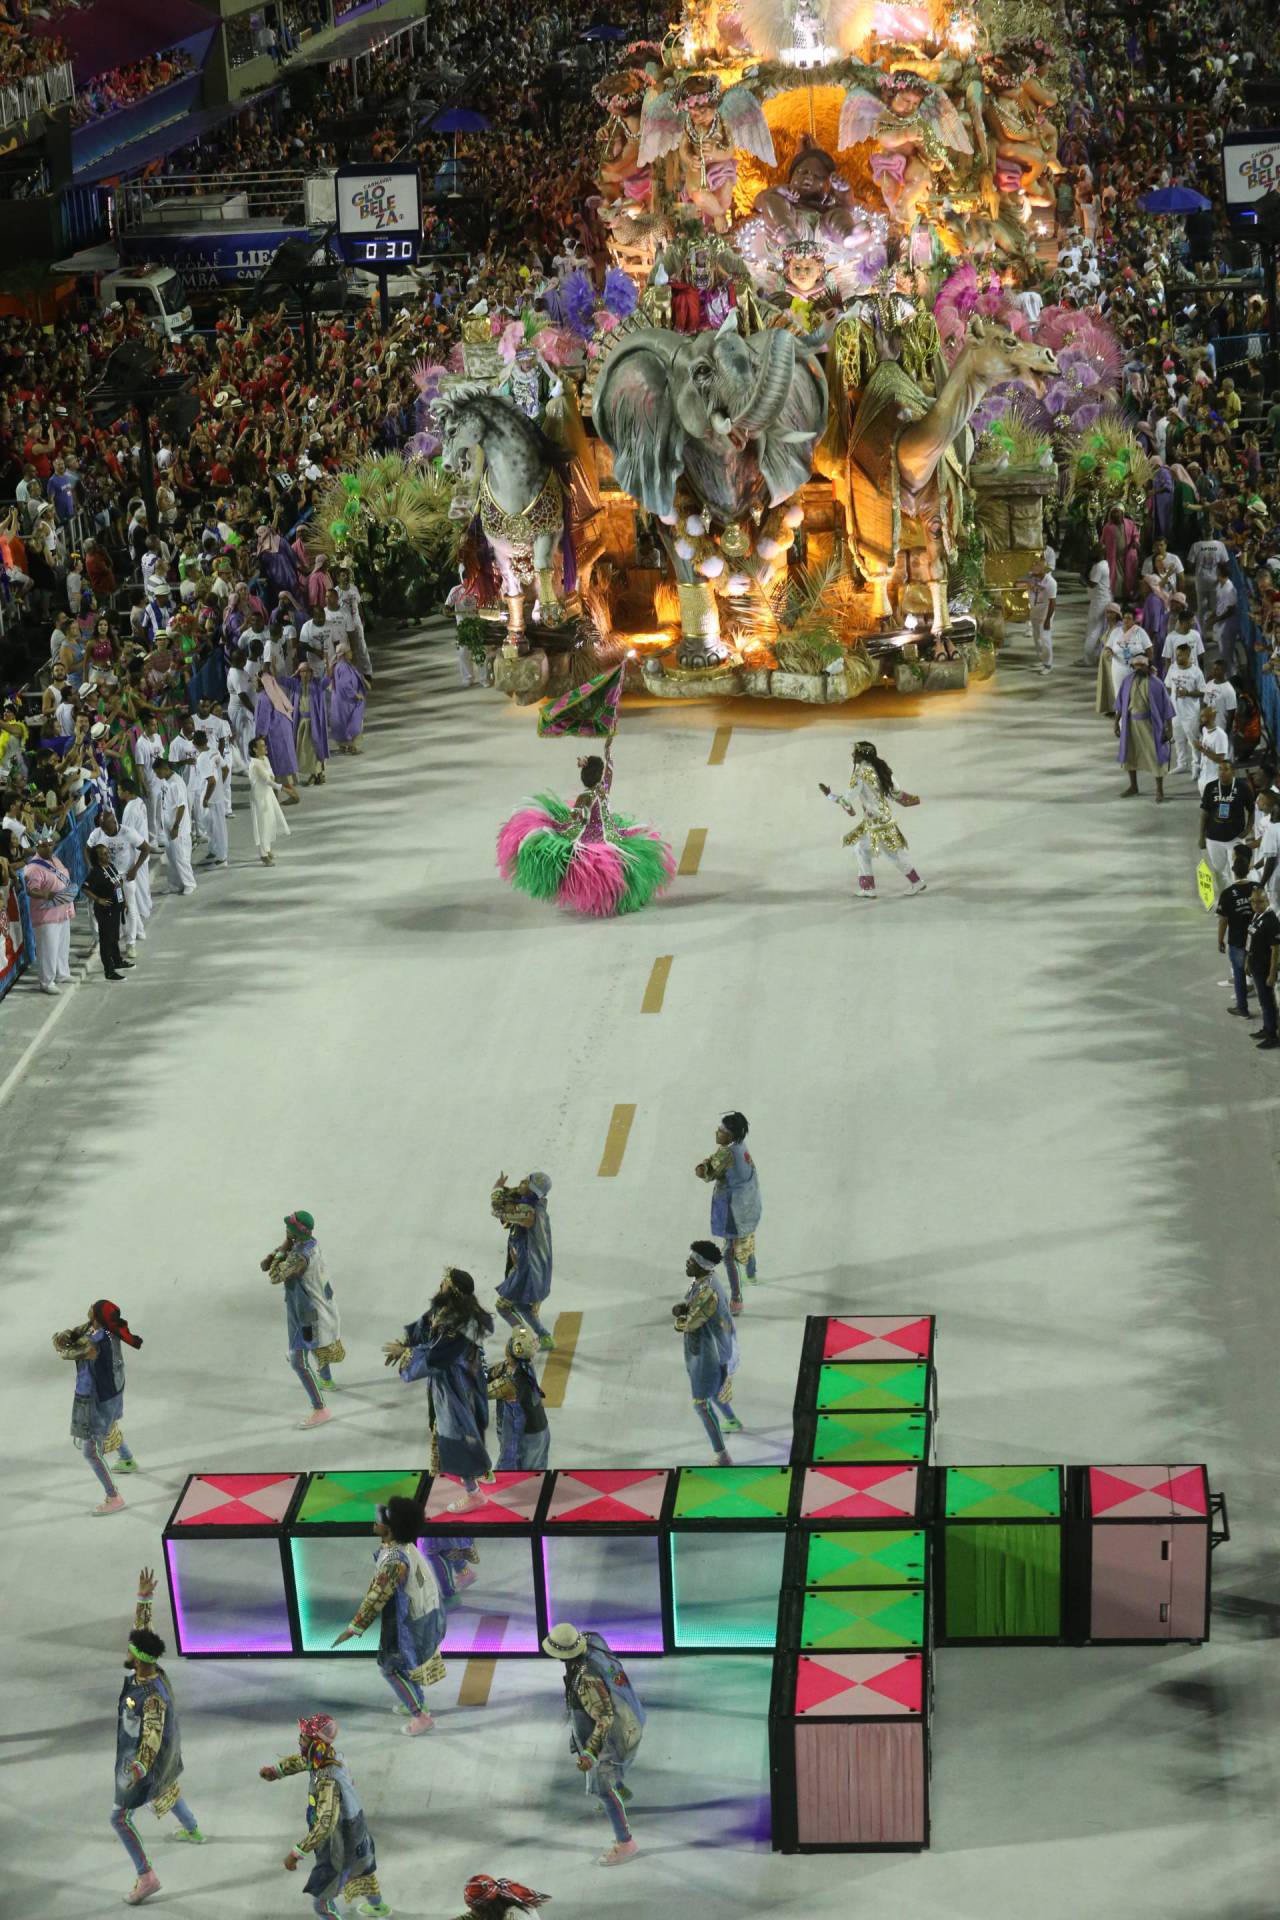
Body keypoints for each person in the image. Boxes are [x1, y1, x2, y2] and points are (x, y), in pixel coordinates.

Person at [109, 1565, 204, 1907]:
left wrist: (137, 1768)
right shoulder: (153, 1669)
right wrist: (144, 1598)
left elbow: (150, 1735)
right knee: (165, 1786)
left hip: (143, 1759)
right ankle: (192, 1828)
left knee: (119, 1818)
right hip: (164, 1755)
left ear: (138, 1659)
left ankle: (146, 1876)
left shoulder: (151, 1697)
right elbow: (143, 1632)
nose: (128, 1648)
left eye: (131, 1649)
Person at [497, 744, 674, 918]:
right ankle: (615, 897)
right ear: (598, 776)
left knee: (582, 862)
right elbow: (609, 772)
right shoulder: (603, 789)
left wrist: (576, 817)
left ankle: (603, 898)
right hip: (609, 832)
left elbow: (577, 816)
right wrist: (608, 751)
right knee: (619, 866)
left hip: (591, 836)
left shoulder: (586, 796)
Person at [330, 1498, 447, 1737]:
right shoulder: (404, 1549)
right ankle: (416, 1702)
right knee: (402, 1665)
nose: (375, 1521)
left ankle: (420, 1716)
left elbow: (376, 1597)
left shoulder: (394, 1561)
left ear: (391, 1528)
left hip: (405, 1623)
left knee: (389, 1668)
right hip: (420, 1616)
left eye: (380, 1519)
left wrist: (353, 1628)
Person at [258, 1716, 392, 1920]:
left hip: (341, 1836)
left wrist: (297, 1852)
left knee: (322, 1902)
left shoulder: (326, 1779)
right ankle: (378, 1907)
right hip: (356, 1827)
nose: (300, 1741)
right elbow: (303, 1761)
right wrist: (276, 1771)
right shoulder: (330, 1756)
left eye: (304, 1738)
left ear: (316, 1745)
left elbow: (325, 1824)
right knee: (362, 1868)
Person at [386, 1269, 494, 1512]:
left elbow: (437, 1356)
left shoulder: (460, 1326)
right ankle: (480, 1472)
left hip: (459, 1386)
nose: (440, 1283)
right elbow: (422, 1328)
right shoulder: (444, 1310)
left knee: (457, 1434)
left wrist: (405, 1355)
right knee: (455, 1431)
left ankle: (474, 1492)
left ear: (453, 1291)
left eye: (445, 1282)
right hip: (448, 1384)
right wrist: (405, 1344)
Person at [542, 1622, 644, 1867]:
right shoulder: (594, 1641)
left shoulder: (585, 1679)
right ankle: (618, 1785)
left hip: (612, 1738)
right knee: (611, 1779)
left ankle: (625, 1843)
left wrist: (590, 1751)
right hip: (632, 1719)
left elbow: (604, 1717)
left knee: (602, 1789)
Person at [52, 1298, 141, 1512]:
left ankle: (114, 1498)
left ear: (97, 1317)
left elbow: (67, 1352)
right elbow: (77, 1334)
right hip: (112, 1392)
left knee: (90, 1451)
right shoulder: (109, 1331)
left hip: (96, 1397)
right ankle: (127, 1459)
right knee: (109, 1423)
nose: (89, 1307)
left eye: (93, 1307)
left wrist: (61, 1342)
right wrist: (67, 1336)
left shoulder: (96, 1341)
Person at [261, 1210, 345, 1429]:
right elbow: (267, 1265)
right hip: (315, 1307)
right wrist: (282, 1249)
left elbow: (274, 1276)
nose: (286, 1229)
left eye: (289, 1227)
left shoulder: (298, 1256)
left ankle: (320, 1409)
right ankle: (326, 1379)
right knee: (318, 1345)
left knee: (298, 1361)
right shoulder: (310, 1244)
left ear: (296, 1232)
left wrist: (280, 1251)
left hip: (307, 1313)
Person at [818, 741, 925, 900]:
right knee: (860, 848)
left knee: (894, 855)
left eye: (855, 752)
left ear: (862, 755)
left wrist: (829, 795)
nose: (852, 755)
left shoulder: (860, 773)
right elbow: (897, 794)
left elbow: (847, 801)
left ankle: (916, 882)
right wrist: (913, 799)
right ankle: (868, 888)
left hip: (877, 824)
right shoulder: (881, 769)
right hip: (883, 819)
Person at [674, 1241, 742, 1465]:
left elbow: (691, 1323)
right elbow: (693, 1306)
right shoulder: (705, 1281)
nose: (688, 1262)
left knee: (700, 1403)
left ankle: (722, 1455)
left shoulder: (708, 1291)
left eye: (692, 1261)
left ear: (702, 1265)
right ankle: (731, 1420)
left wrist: (681, 1316)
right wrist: (684, 1307)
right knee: (715, 1391)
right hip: (712, 1348)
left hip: (709, 1353)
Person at [694, 1111, 761, 1313]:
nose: (717, 1133)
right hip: (749, 1203)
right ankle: (751, 1273)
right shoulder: (741, 1147)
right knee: (747, 1239)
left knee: (728, 1254)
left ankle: (736, 1298)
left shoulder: (726, 1153)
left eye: (722, 1131)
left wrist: (701, 1167)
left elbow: (707, 1173)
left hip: (734, 1210)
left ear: (731, 1135)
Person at [491, 1170, 555, 1348]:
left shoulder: (528, 1211)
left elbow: (499, 1212)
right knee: (520, 1306)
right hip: (524, 1266)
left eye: (527, 1182)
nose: (522, 1181)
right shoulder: (534, 1204)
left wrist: (496, 1191)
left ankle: (524, 1337)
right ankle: (544, 1337)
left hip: (526, 1269)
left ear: (533, 1190)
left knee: (503, 1307)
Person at [21, 825, 76, 992]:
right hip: (46, 914)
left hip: (63, 911)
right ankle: (46, 981)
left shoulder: (55, 859)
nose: (48, 847)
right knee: (48, 949)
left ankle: (62, 973)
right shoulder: (34, 867)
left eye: (50, 844)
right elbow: (32, 890)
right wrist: (46, 894)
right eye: (44, 845)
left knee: (61, 946)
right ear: (37, 846)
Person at [489, 1326, 551, 1469]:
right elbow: (491, 1373)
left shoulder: (512, 1382)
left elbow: (482, 1391)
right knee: (535, 1470)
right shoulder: (522, 1364)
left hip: (525, 1434)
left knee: (514, 1471)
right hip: (538, 1427)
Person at [1116, 655, 1173, 801]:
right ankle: (1133, 786)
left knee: (1155, 756)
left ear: (1148, 666)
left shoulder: (1157, 684)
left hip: (1150, 724)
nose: (1139, 668)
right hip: (1131, 724)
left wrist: (1169, 729)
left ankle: (1159, 790)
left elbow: (1167, 707)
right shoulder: (1127, 681)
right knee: (1130, 754)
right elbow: (1120, 704)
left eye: (1142, 665)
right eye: (1136, 665)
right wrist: (1116, 723)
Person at [1199, 762, 1252, 895]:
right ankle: (1226, 897)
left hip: (1235, 837)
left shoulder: (1242, 787)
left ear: (1233, 771)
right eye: (1220, 769)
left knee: (1238, 870)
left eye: (1226, 769)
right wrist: (1201, 836)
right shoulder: (1211, 787)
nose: (1222, 772)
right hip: (1214, 837)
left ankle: (1240, 898)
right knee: (1218, 870)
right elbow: (1205, 813)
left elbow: (1252, 810)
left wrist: (1248, 829)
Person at [1216, 844, 1255, 1020]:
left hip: (1237, 940)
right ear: (1248, 869)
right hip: (1256, 938)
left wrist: (1220, 940)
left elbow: (1223, 920)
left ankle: (1242, 1008)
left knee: (1239, 973)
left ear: (1233, 870)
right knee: (1260, 973)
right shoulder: (1257, 887)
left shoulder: (1227, 894)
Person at [83, 842, 132, 981]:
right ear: (97, 857)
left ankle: (117, 961)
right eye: (104, 854)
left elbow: (118, 885)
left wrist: (124, 902)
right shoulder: (95, 872)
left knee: (115, 936)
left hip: (116, 907)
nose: (107, 855)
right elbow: (85, 888)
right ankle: (109, 971)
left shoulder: (111, 866)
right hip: (105, 910)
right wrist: (98, 900)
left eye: (107, 852)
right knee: (106, 940)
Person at [1165, 640, 1207, 777]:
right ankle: (1182, 763)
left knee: (1193, 739)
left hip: (1190, 713)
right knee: (1178, 738)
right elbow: (1168, 686)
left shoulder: (1196, 672)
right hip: (1175, 712)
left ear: (1188, 655)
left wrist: (1187, 693)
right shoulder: (1172, 668)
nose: (1177, 658)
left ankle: (1196, 765)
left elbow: (1203, 692)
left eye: (1181, 655)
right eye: (1176, 655)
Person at [155, 757, 197, 895]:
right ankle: (174, 885)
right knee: (171, 858)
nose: (156, 775)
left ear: (165, 769)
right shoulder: (165, 782)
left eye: (157, 772)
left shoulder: (176, 783)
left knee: (180, 856)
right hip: (168, 826)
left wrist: (176, 826)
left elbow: (181, 806)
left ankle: (189, 883)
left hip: (178, 827)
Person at [248, 734, 291, 865]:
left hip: (267, 794)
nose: (265, 747)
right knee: (263, 824)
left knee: (269, 822)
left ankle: (267, 848)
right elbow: (267, 780)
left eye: (264, 745)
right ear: (255, 749)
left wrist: (274, 783)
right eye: (261, 746)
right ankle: (263, 854)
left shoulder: (265, 759)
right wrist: (285, 789)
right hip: (260, 796)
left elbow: (271, 775)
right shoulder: (255, 764)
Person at [1246, 885, 1280, 1050]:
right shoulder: (1257, 916)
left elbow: (1276, 950)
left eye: (1259, 901)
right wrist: (1247, 962)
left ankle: (1272, 1035)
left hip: (1265, 968)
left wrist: (1272, 974)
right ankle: (1266, 1028)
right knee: (1263, 1001)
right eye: (1253, 901)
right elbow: (1251, 941)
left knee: (1267, 1003)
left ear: (1267, 900)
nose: (1256, 904)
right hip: (1256, 965)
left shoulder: (1271, 921)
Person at [196, 733, 229, 866]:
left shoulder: (202, 758)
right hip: (217, 794)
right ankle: (213, 850)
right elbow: (226, 769)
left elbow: (211, 781)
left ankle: (222, 858)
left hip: (211, 798)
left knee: (218, 827)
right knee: (209, 825)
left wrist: (206, 798)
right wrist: (221, 785)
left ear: (195, 744)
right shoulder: (214, 751)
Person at [454, 1876, 551, 1920]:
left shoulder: (516, 1915)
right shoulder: (496, 1909)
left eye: (476, 1909)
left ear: (487, 1906)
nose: (472, 1911)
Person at [328, 657, 367, 754]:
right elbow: (345, 684)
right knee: (354, 722)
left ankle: (343, 746)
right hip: (348, 701)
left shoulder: (337, 665)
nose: (351, 653)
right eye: (349, 651)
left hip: (339, 700)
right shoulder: (344, 667)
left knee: (341, 723)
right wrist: (355, 694)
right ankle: (352, 746)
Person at [1026, 557, 1057, 672]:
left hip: (1046, 611)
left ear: (1043, 569)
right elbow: (1019, 583)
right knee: (1036, 637)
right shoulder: (1032, 578)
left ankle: (1048, 664)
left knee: (1045, 637)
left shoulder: (1051, 583)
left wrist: (1048, 620)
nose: (1033, 567)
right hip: (1034, 610)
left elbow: (1053, 603)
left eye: (1037, 566)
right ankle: (1042, 660)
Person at [1083, 548, 1113, 664]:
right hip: (1104, 599)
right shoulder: (1105, 564)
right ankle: (1096, 656)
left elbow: (1092, 583)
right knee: (1100, 630)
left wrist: (1083, 579)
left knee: (1093, 630)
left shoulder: (1099, 566)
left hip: (1099, 602)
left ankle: (1087, 659)